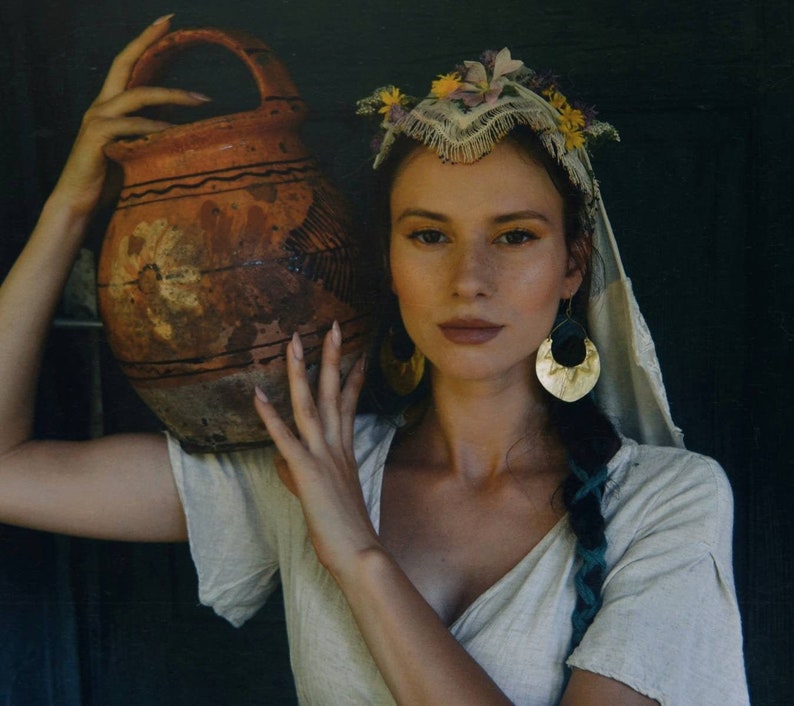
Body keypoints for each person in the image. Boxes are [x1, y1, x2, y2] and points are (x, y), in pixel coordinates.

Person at [0, 16, 749, 706]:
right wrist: (72, 204)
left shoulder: (668, 502)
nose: (469, 279)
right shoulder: (313, 462)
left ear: (573, 266)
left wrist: (355, 548)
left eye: (515, 236)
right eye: (429, 235)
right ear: (386, 262)